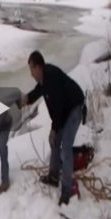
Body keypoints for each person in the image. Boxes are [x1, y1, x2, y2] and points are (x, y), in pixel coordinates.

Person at [19, 50, 85, 206]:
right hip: (65, 111)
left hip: (74, 108)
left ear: (38, 67)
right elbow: (37, 92)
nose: (31, 73)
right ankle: (54, 177)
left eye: (31, 69)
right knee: (54, 141)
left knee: (65, 147)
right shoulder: (44, 78)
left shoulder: (51, 77)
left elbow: (59, 108)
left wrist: (54, 129)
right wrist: (25, 99)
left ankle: (67, 190)